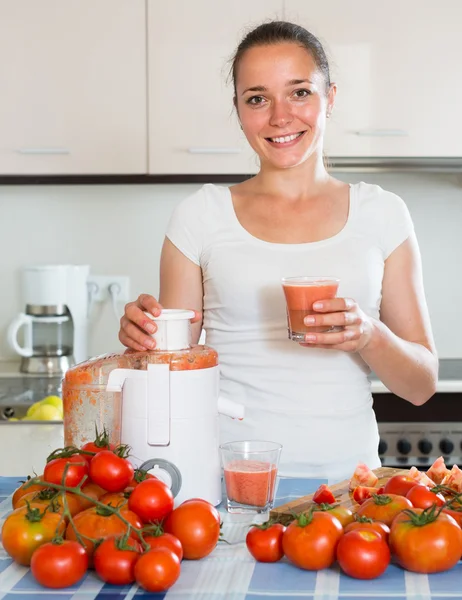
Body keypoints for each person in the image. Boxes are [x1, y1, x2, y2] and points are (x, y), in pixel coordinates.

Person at [119, 21, 438, 481]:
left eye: (300, 92)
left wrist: (369, 334)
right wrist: (140, 338)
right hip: (229, 482)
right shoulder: (200, 216)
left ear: (330, 97)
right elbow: (170, 374)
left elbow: (422, 386)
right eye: (257, 98)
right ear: (238, 110)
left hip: (349, 487)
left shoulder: (383, 214)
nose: (280, 117)